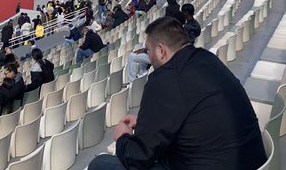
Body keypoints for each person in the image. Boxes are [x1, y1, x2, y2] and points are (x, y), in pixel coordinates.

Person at [88, 17, 267, 170]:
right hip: (252, 162)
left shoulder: (164, 80)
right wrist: (147, 123)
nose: (148, 55)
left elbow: (138, 158)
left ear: (160, 50)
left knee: (100, 164)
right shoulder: (207, 58)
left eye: (148, 50)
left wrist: (122, 138)